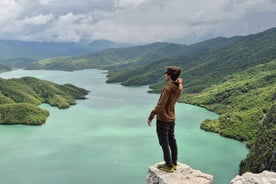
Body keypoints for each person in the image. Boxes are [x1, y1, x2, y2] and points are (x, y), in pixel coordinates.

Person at [147, 66, 183, 173]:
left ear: (169, 75)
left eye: (166, 73)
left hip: (163, 120)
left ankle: (168, 165)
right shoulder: (179, 87)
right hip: (172, 118)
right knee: (172, 140)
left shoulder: (167, 89)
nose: (164, 74)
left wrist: (151, 116)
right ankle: (174, 163)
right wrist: (180, 82)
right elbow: (180, 86)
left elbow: (160, 105)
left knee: (164, 143)